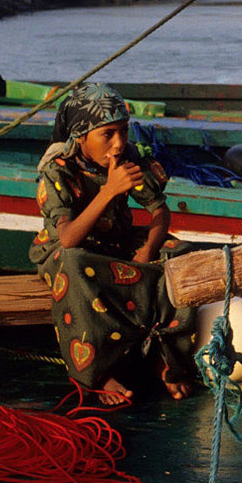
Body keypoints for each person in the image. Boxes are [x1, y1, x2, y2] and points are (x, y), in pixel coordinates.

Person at [30, 82, 196, 405]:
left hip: (115, 243)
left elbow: (160, 213)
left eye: (124, 131)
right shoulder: (57, 171)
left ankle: (163, 356)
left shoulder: (127, 158)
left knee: (182, 255)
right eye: (107, 135)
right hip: (71, 251)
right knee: (76, 265)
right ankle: (96, 372)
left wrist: (149, 249)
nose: (119, 144)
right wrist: (108, 191)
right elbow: (67, 238)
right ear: (81, 137)